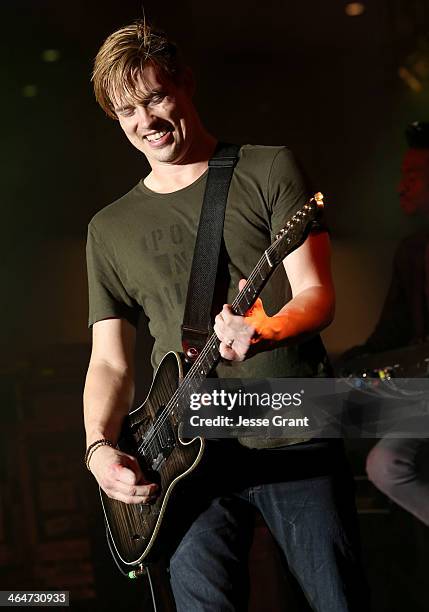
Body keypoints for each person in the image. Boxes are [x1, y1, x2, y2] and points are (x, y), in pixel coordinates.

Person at [83, 20, 369, 611]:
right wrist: (98, 446)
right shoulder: (108, 229)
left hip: (293, 428)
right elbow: (109, 362)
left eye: (156, 96)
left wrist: (264, 330)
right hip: (186, 457)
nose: (146, 122)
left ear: (185, 83)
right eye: (125, 111)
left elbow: (316, 294)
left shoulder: (268, 168)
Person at [342, 122, 429, 526]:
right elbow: (390, 333)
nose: (400, 186)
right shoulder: (412, 251)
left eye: (413, 176)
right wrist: (349, 366)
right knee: (385, 463)